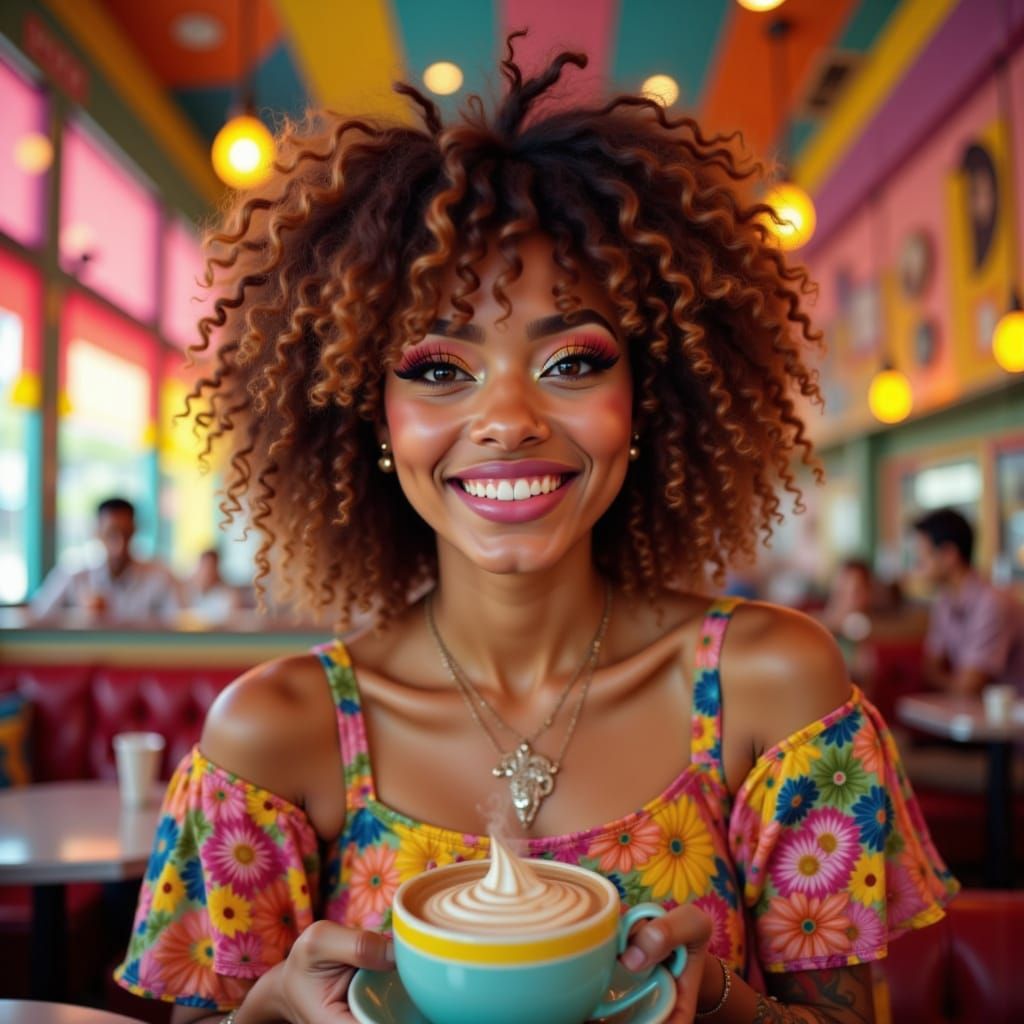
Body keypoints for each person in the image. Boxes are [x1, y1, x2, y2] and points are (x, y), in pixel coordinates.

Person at [115, 39, 957, 1024]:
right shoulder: (273, 735)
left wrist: (715, 1001)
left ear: (648, 400)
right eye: (437, 367)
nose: (509, 416)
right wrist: (268, 1010)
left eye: (571, 361)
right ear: (365, 414)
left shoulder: (775, 691)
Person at [913, 507, 1024, 695]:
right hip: (976, 716)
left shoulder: (992, 603)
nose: (917, 564)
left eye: (923, 556)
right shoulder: (945, 602)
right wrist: (955, 681)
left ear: (949, 555)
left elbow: (968, 687)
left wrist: (953, 681)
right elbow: (929, 669)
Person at [29, 497, 180, 625]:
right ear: (97, 532)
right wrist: (78, 614)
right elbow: (36, 617)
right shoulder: (73, 574)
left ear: (135, 531)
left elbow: (180, 623)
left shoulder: (161, 576)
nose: (120, 544)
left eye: (126, 533)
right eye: (111, 533)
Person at [180, 548, 242, 625]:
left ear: (217, 568)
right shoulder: (189, 591)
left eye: (210, 567)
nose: (206, 572)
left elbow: (234, 619)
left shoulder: (229, 595)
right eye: (203, 567)